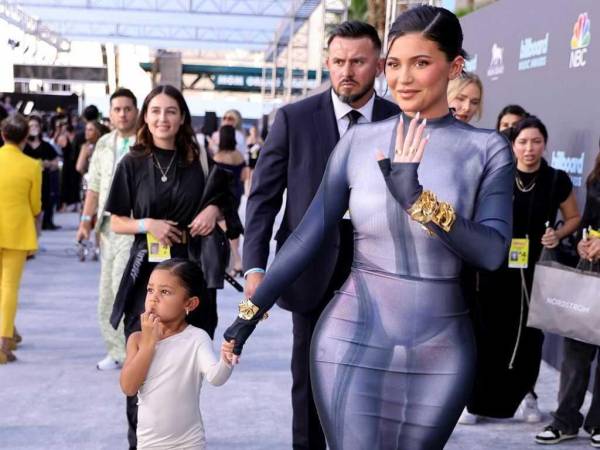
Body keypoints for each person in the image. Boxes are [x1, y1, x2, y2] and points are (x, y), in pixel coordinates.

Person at [226, 7, 514, 449]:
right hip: (350, 334)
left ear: (454, 66)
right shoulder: (359, 142)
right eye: (395, 64)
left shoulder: (486, 149)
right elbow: (307, 236)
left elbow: (493, 252)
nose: (404, 77)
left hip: (441, 349)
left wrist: (418, 200)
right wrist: (247, 315)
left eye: (421, 62)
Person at [241, 20, 399, 449]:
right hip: (309, 267)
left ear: (379, 66)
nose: (347, 70)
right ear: (327, 63)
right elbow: (263, 200)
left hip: (379, 270)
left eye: (358, 62)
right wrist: (255, 268)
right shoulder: (293, 119)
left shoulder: (399, 121)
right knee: (308, 379)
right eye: (338, 61)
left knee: (371, 380)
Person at [105, 84, 239, 449]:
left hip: (192, 276)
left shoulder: (200, 161)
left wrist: (213, 209)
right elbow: (116, 220)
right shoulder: (132, 162)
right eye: (156, 111)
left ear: (182, 118)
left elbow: (225, 206)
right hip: (147, 278)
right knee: (140, 366)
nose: (163, 118)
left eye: (171, 111)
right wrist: (149, 224)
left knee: (184, 373)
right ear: (145, 117)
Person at [462, 116, 581, 425]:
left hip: (534, 271)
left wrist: (558, 234)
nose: (530, 149)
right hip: (495, 267)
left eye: (536, 142)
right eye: (523, 142)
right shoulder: (497, 176)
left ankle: (528, 397)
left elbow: (573, 218)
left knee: (529, 337)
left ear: (545, 144)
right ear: (512, 145)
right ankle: (474, 401)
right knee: (487, 333)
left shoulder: (556, 180)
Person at [120, 259, 234, 450]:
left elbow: (216, 378)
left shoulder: (196, 338)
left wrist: (226, 359)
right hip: (149, 444)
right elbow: (128, 387)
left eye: (164, 292)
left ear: (189, 303)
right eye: (150, 290)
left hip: (188, 443)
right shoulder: (137, 339)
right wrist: (149, 344)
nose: (153, 298)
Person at [535, 146, 600, 446]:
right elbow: (587, 219)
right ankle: (565, 420)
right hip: (591, 268)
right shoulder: (596, 175)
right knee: (576, 348)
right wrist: (582, 243)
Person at [76, 88, 138, 371]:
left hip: (133, 225)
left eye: (127, 108)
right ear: (110, 114)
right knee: (106, 292)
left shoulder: (145, 142)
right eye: (117, 109)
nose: (122, 114)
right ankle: (115, 350)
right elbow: (95, 185)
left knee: (121, 286)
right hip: (107, 227)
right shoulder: (103, 144)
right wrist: (85, 221)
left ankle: (129, 352)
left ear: (136, 111)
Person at [0, 114, 42, 363]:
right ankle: (4, 342)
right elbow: (36, 205)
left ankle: (9, 333)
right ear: (26, 138)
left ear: (3, 134)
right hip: (16, 231)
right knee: (9, 288)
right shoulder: (32, 166)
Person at [212, 125, 246, 277]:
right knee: (232, 223)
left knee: (225, 226)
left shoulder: (218, 156)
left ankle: (236, 261)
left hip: (223, 195)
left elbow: (214, 179)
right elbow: (244, 175)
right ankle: (235, 262)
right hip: (236, 193)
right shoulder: (239, 155)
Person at [23, 115, 61, 231]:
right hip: (26, 180)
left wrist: (48, 164)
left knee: (44, 203)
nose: (34, 128)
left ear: (40, 127)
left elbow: (57, 162)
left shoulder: (46, 145)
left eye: (36, 125)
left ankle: (44, 224)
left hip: (43, 179)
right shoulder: (23, 145)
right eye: (31, 126)